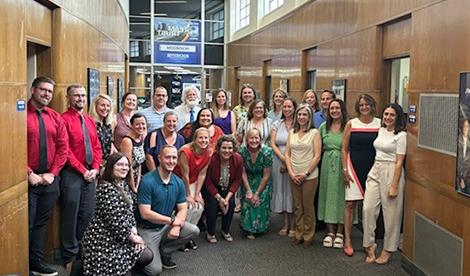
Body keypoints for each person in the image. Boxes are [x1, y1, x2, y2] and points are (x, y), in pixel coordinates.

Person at [81, 153, 153, 276]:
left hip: (122, 235)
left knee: (146, 255)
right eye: (119, 164)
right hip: (103, 241)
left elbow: (130, 213)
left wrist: (134, 230)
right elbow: (116, 222)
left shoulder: (123, 185)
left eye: (126, 165)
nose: (124, 168)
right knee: (132, 260)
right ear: (110, 167)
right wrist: (134, 238)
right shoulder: (106, 189)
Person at [27, 76, 68, 276]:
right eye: (43, 90)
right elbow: (11, 147)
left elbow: (63, 148)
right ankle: (20, 263)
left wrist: (52, 174)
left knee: (41, 224)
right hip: (27, 180)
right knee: (26, 224)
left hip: (50, 181)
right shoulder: (20, 114)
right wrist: (28, 173)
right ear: (33, 90)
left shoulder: (55, 117)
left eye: (50, 91)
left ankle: (36, 263)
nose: (46, 94)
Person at [137, 145, 200, 275]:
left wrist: (176, 226)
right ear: (159, 158)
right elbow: (145, 213)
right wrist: (172, 221)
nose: (171, 161)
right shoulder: (147, 181)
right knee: (154, 270)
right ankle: (140, 254)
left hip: (165, 226)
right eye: (167, 157)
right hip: (147, 229)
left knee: (194, 230)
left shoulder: (178, 182)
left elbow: (183, 208)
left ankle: (165, 251)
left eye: (174, 158)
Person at [60, 84, 102, 271]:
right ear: (68, 98)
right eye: (76, 95)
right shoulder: (63, 119)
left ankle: (84, 251)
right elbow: (65, 150)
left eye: (83, 95)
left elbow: (97, 147)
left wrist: (94, 168)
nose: (80, 99)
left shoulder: (89, 120)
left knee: (87, 214)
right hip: (72, 174)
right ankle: (70, 255)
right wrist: (81, 170)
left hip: (90, 174)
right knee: (71, 214)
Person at [363, 103, 407, 264]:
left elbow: (399, 161)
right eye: (386, 114)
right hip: (376, 169)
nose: (388, 117)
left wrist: (394, 185)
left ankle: (388, 249)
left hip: (392, 172)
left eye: (392, 115)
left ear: (398, 118)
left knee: (391, 214)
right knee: (368, 208)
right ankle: (369, 245)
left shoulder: (401, 135)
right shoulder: (381, 130)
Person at [341, 94, 381, 256]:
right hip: (353, 168)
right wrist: (344, 170)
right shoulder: (351, 123)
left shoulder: (380, 123)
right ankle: (348, 240)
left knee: (369, 208)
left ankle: (368, 242)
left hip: (373, 170)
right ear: (358, 107)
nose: (364, 107)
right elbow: (344, 149)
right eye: (361, 105)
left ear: (372, 106)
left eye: (367, 104)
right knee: (351, 205)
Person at [285, 104, 322, 248]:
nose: (301, 117)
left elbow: (317, 155)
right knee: (297, 206)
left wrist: (306, 173)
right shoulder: (292, 133)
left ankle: (308, 234)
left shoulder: (314, 133)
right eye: (299, 114)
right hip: (293, 174)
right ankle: (298, 233)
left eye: (304, 115)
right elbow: (287, 154)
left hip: (309, 176)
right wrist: (291, 172)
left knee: (308, 206)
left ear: (309, 117)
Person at [173, 127, 211, 250]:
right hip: (179, 181)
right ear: (194, 139)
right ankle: (179, 237)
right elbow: (185, 175)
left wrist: (197, 194)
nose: (203, 140)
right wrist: (189, 195)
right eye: (200, 137)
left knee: (199, 207)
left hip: (194, 180)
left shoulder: (208, 152)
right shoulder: (185, 151)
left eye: (206, 138)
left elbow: (202, 174)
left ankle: (189, 235)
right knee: (188, 207)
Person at [317, 99, 348, 249]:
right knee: (327, 195)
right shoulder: (323, 127)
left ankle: (341, 232)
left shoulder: (348, 126)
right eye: (332, 108)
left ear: (342, 109)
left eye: (337, 108)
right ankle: (330, 232)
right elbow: (318, 148)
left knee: (341, 197)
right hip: (327, 165)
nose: (334, 111)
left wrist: (346, 168)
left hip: (343, 164)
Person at [203, 135, 243, 243]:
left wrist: (227, 198)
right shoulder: (212, 159)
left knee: (231, 204)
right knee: (212, 205)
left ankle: (225, 231)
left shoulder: (238, 159)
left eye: (230, 148)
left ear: (233, 148)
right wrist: (220, 198)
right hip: (212, 189)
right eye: (224, 148)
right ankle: (210, 232)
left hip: (228, 189)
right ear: (219, 148)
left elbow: (237, 181)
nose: (227, 151)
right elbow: (207, 181)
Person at [240, 128, 273, 239]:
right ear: (247, 139)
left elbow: (267, 175)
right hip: (247, 179)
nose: (254, 140)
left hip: (262, 179)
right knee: (248, 199)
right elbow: (242, 172)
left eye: (256, 138)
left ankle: (261, 226)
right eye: (251, 138)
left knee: (258, 200)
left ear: (260, 139)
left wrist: (257, 193)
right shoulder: (242, 151)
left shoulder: (267, 151)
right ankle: (248, 228)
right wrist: (249, 190)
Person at [270, 97, 297, 237]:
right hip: (278, 160)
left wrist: (288, 162)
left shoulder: (299, 124)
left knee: (292, 192)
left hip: (296, 160)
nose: (287, 109)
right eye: (285, 107)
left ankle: (294, 225)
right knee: (282, 191)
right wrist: (283, 160)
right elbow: (273, 143)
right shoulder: (276, 124)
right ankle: (285, 224)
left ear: (294, 108)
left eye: (289, 107)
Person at [120, 113, 147, 199]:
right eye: (137, 124)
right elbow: (128, 166)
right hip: (127, 179)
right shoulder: (127, 141)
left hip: (136, 178)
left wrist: (138, 183)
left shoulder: (140, 139)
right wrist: (133, 187)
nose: (141, 126)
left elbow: (139, 164)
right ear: (131, 125)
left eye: (143, 124)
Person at [89, 94, 116, 165]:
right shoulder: (90, 123)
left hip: (107, 163)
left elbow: (110, 143)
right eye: (102, 105)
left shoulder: (107, 124)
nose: (105, 108)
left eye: (108, 106)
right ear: (95, 107)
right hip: (95, 163)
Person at [457, 118, 470, 194]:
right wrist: (460, 178)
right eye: (464, 126)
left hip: (466, 178)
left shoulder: (469, 142)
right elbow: (457, 161)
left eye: (467, 126)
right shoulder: (458, 140)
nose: (466, 128)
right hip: (458, 177)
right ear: (461, 127)